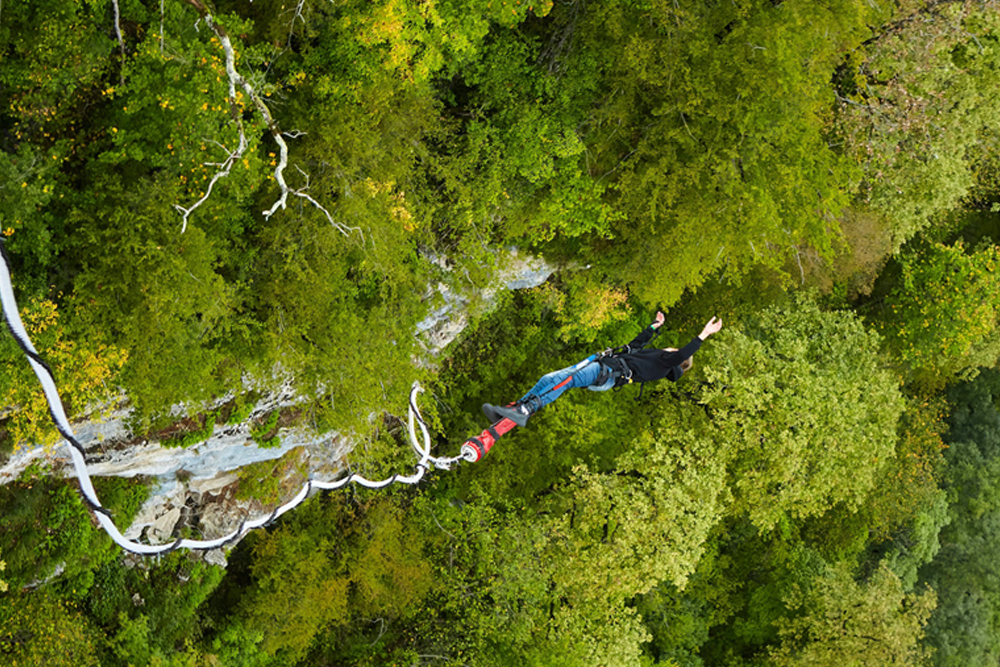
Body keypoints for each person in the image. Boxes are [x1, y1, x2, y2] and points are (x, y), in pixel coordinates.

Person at [484, 313, 723, 427]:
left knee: (565, 381)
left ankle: (526, 409)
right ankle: (516, 408)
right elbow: (636, 344)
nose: (672, 347)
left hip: (606, 375)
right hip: (603, 365)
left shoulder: (664, 364)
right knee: (549, 378)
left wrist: (703, 334)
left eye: (675, 350)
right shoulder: (654, 358)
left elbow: (682, 354)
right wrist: (653, 327)